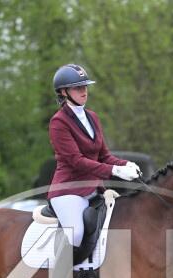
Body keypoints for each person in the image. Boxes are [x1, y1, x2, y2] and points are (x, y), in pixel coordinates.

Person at [48, 63, 141, 249]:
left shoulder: (92, 117)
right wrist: (115, 171)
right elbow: (76, 161)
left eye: (85, 86)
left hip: (95, 190)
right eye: (78, 88)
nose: (84, 91)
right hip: (69, 191)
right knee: (76, 234)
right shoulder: (58, 122)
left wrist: (126, 164)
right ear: (64, 92)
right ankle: (59, 269)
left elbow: (104, 155)